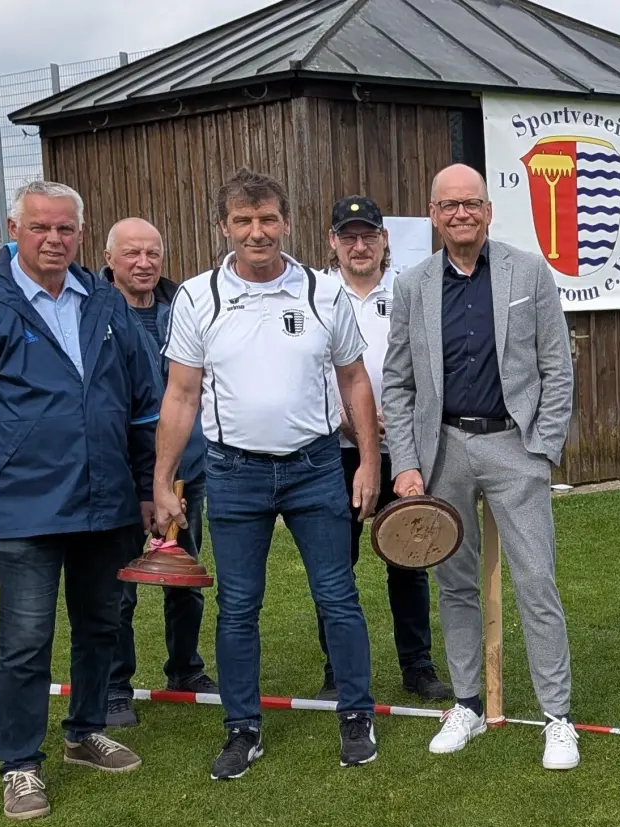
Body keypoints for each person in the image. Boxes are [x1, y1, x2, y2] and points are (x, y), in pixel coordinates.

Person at [0, 181, 158, 820]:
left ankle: (83, 731)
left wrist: (154, 486)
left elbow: (145, 403)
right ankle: (19, 763)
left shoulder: (105, 301)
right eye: (40, 228)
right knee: (25, 640)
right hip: (25, 506)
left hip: (108, 503)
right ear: (14, 230)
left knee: (103, 624)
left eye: (65, 229)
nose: (53, 240)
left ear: (79, 233)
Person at [154, 168, 381, 779]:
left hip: (313, 468)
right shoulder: (198, 298)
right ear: (224, 226)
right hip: (233, 474)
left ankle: (356, 715)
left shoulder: (322, 292)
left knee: (337, 596)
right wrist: (161, 480)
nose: (258, 232)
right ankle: (242, 728)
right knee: (238, 606)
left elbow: (354, 378)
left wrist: (368, 460)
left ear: (287, 221)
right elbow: (180, 395)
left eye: (268, 219)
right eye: (244, 221)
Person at [381, 164, 579, 770]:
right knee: (455, 584)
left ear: (489, 210)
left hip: (513, 447)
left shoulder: (527, 271)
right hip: (443, 452)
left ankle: (557, 717)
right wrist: (407, 465)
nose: (460, 214)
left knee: (536, 581)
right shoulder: (413, 285)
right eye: (448, 206)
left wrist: (542, 447)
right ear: (434, 215)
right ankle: (467, 703)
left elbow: (556, 366)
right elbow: (398, 382)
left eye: (471, 203)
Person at [313, 194, 451, 703]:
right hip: (338, 447)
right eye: (348, 237)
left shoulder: (409, 289)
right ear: (333, 242)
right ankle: (337, 668)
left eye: (368, 235)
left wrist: (406, 421)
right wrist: (352, 423)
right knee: (335, 563)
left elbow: (428, 364)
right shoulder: (318, 293)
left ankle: (417, 665)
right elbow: (316, 370)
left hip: (403, 446)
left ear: (384, 239)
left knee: (410, 556)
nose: (359, 246)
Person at [101, 217, 218, 729]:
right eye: (132, 254)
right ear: (109, 259)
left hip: (186, 470)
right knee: (118, 586)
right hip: (121, 475)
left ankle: (185, 669)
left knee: (186, 577)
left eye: (153, 253)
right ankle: (113, 687)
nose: (144, 263)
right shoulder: (92, 313)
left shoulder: (185, 309)